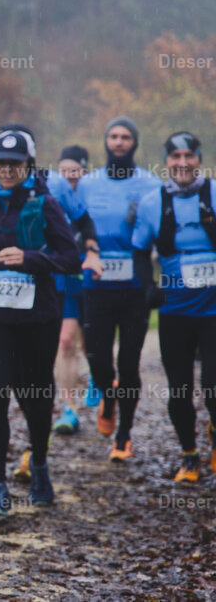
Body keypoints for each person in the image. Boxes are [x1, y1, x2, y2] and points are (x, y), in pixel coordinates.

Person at [0, 127, 103, 479]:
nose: (6, 169)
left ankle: (38, 459)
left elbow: (70, 258)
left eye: (14, 163)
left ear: (29, 164)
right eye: (0, 163)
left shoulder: (47, 200)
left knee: (36, 392)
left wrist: (29, 258)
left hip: (39, 310)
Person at [132, 132, 216, 482]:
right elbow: (139, 250)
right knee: (179, 386)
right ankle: (189, 455)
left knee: (213, 383)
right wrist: (148, 287)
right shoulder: (152, 202)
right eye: (175, 157)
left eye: (188, 156)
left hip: (213, 310)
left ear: (199, 158)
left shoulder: (213, 193)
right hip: (175, 310)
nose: (182, 163)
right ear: (166, 161)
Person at [77, 117, 162, 462]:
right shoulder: (86, 184)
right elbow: (72, 225)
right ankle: (107, 396)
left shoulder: (151, 185)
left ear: (134, 143)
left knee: (129, 363)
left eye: (126, 136)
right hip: (95, 284)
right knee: (98, 360)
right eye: (113, 136)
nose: (119, 142)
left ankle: (124, 435)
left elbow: (160, 231)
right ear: (105, 143)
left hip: (134, 287)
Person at [52, 145, 104, 435]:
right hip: (65, 279)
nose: (69, 175)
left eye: (75, 170)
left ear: (84, 171)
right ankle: (68, 409)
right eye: (64, 170)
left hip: (94, 279)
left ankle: (99, 377)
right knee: (65, 341)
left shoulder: (92, 198)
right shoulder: (52, 196)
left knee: (92, 343)